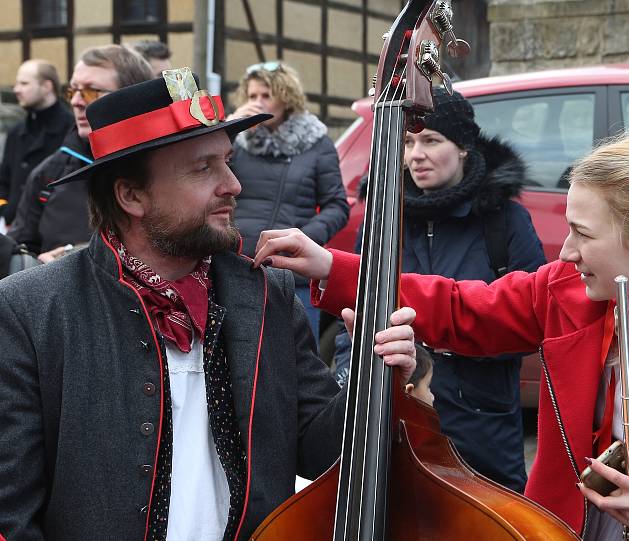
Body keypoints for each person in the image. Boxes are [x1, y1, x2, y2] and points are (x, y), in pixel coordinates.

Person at [253, 134, 629, 541]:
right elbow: (463, 307)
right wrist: (333, 266)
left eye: (583, 234)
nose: (564, 251)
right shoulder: (567, 289)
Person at [0, 69, 416, 540]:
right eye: (204, 168)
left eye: (227, 161)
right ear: (131, 195)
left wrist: (374, 376)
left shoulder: (265, 294)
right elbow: (11, 512)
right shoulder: (32, 310)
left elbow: (320, 452)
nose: (233, 185)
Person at [333, 88, 546, 493]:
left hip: (482, 422)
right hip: (397, 416)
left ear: (464, 147)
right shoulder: (382, 220)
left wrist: (444, 335)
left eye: (431, 140)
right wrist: (350, 376)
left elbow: (533, 320)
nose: (416, 154)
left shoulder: (504, 221)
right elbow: (351, 312)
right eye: (409, 142)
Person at [226, 61, 349, 343]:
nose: (257, 103)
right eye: (252, 96)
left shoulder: (316, 143)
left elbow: (337, 205)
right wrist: (231, 127)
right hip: (238, 263)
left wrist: (302, 238)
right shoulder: (236, 141)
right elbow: (207, 176)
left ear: (286, 97)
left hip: (294, 272)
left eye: (266, 95)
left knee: (297, 356)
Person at [7, 45, 152, 261]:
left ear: (131, 95)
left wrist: (72, 256)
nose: (76, 101)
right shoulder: (50, 173)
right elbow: (19, 251)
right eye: (72, 90)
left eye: (91, 91)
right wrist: (37, 264)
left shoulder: (168, 165)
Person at [0, 60, 72, 225]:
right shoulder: (16, 132)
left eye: (24, 83)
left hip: (53, 230)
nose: (16, 89)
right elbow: (3, 182)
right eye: (17, 83)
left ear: (47, 86)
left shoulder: (71, 130)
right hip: (14, 228)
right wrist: (5, 210)